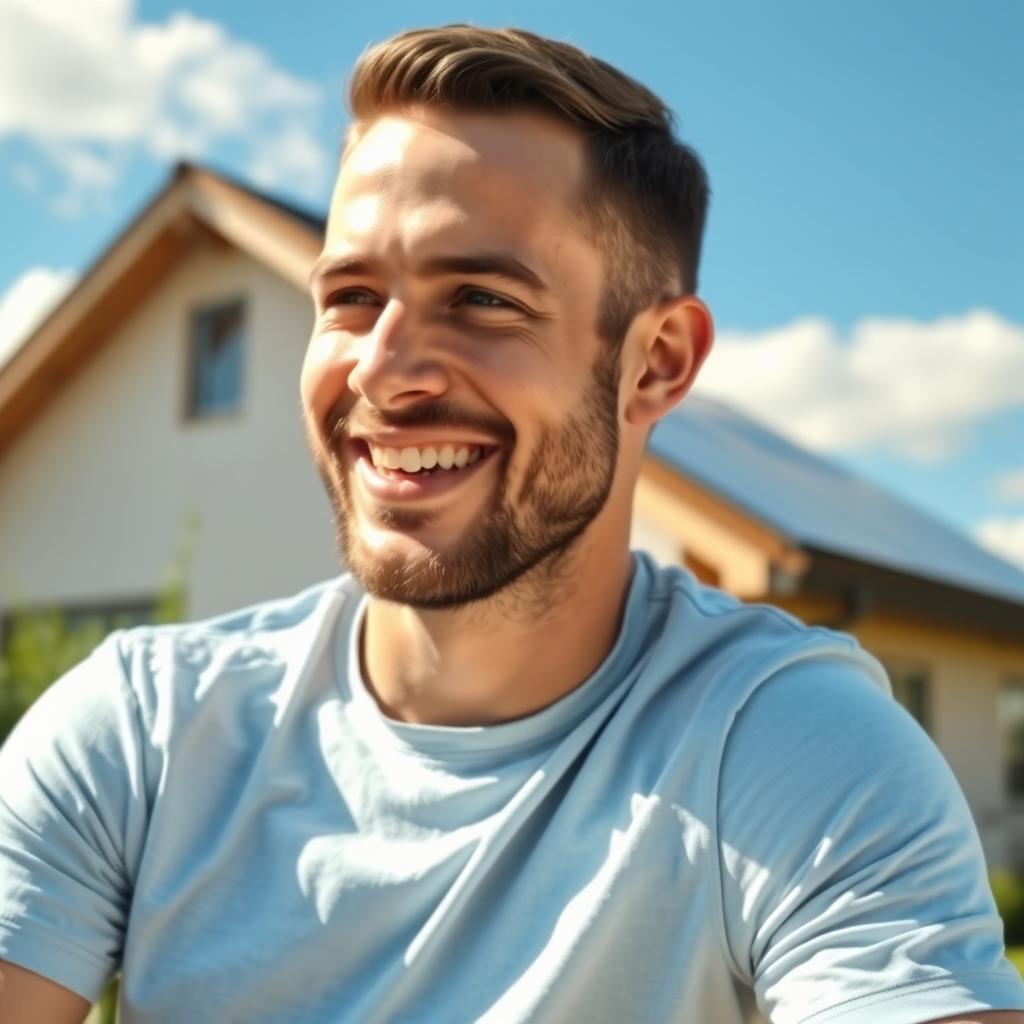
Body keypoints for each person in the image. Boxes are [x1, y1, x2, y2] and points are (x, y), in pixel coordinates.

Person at [0, 25, 1022, 1024]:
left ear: (656, 361)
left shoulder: (786, 751)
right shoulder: (143, 735)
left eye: (481, 297)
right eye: (351, 296)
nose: (384, 369)